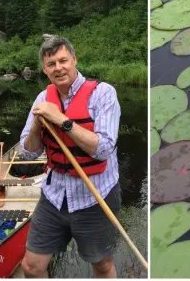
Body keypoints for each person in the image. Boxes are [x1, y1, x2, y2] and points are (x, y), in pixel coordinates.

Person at [20, 35, 122, 278]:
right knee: (31, 267)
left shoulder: (103, 93)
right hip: (54, 197)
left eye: (62, 60)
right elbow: (28, 151)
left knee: (102, 265)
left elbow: (104, 148)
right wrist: (37, 123)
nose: (58, 68)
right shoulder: (42, 99)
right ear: (45, 70)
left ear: (74, 60)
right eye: (51, 64)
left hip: (95, 197)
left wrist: (62, 121)